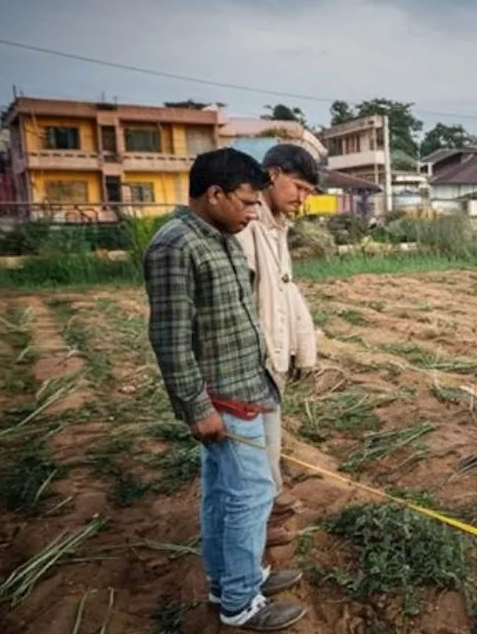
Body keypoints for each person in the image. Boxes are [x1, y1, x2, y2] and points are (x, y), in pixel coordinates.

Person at [143, 148, 304, 630]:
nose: (254, 212)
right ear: (214, 194)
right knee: (250, 493)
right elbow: (169, 339)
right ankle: (240, 602)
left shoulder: (221, 237)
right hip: (222, 398)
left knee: (223, 494)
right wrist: (196, 408)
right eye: (247, 201)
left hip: (247, 386)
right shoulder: (176, 245)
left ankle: (233, 579)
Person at [234, 144, 321, 550]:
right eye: (297, 187)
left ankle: (266, 509)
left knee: (269, 443)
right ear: (272, 175)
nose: (301, 199)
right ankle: (256, 531)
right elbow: (242, 303)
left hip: (273, 359)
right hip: (251, 362)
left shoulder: (277, 227)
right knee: (253, 455)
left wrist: (305, 349)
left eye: (308, 192)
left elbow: (287, 293)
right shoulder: (246, 227)